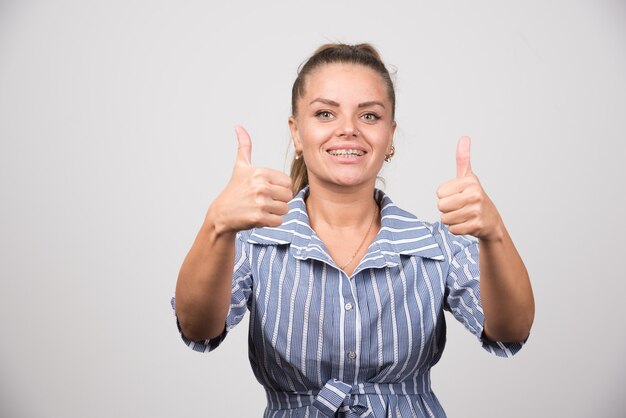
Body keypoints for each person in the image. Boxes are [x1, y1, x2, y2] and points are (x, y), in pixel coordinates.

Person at [172, 43, 534, 417]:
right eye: (325, 113)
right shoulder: (254, 244)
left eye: (370, 116)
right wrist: (216, 226)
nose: (348, 130)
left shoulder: (435, 244)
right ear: (297, 133)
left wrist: (495, 234)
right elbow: (198, 328)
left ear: (390, 136)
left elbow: (510, 331)